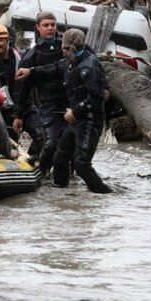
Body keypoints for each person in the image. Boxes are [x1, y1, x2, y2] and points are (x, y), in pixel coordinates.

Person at [47, 29, 111, 193]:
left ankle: (105, 194)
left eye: (65, 49)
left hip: (89, 120)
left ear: (72, 48)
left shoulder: (89, 66)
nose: (63, 51)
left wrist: (75, 112)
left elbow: (97, 97)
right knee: (59, 159)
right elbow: (53, 68)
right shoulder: (72, 60)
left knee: (82, 165)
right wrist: (31, 71)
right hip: (75, 119)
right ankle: (62, 195)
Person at [14, 11, 66, 173]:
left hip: (72, 102)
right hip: (49, 105)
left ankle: (65, 178)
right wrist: (19, 115)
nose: (50, 28)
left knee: (71, 147)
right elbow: (24, 88)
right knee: (51, 144)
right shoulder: (32, 55)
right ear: (37, 28)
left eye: (53, 25)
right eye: (46, 25)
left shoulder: (67, 47)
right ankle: (40, 172)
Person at [0, 24, 44, 152]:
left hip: (25, 106)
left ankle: (33, 161)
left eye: (0, 40)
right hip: (4, 112)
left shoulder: (21, 56)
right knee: (10, 147)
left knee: (42, 136)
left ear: (7, 40)